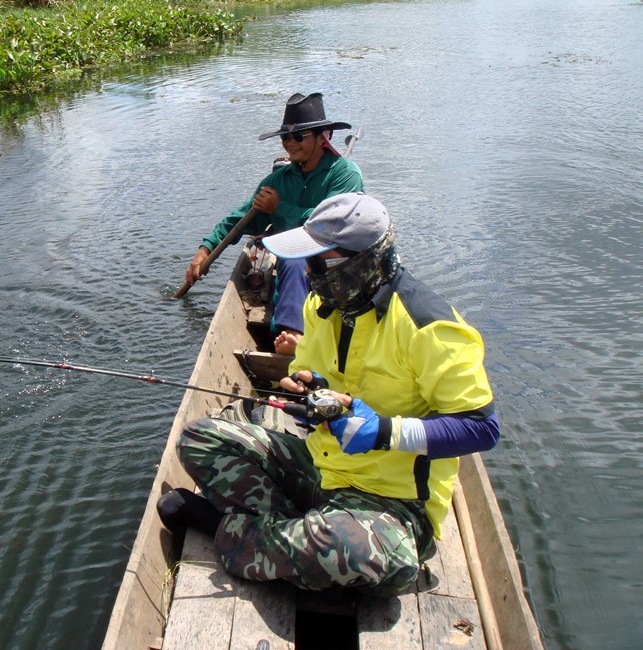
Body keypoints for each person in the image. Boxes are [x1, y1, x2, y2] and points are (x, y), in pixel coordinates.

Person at [159, 192, 500, 595]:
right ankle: (295, 534)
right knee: (198, 438)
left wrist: (386, 432)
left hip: (395, 502)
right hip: (323, 468)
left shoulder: (431, 328)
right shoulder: (322, 306)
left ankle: (232, 529)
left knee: (344, 550)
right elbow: (315, 377)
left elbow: (483, 428)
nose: (309, 274)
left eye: (319, 263)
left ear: (363, 263)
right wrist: (308, 395)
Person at [185, 93, 363, 353]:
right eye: (285, 137)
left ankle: (292, 334)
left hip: (336, 255)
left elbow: (330, 224)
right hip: (293, 257)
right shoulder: (279, 180)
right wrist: (205, 250)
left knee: (294, 259)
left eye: (298, 137)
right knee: (290, 258)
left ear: (322, 137)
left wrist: (280, 208)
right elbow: (241, 218)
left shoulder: (345, 174)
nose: (290, 143)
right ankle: (290, 336)